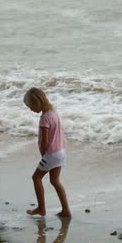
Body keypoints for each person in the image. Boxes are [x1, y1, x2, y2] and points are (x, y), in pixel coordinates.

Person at [23, 87, 71, 218]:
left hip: (51, 154)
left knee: (36, 178)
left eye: (30, 106)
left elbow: (44, 142)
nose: (30, 109)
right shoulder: (53, 113)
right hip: (61, 151)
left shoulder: (44, 118)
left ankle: (41, 208)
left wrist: (43, 155)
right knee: (55, 181)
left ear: (37, 102)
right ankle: (66, 210)